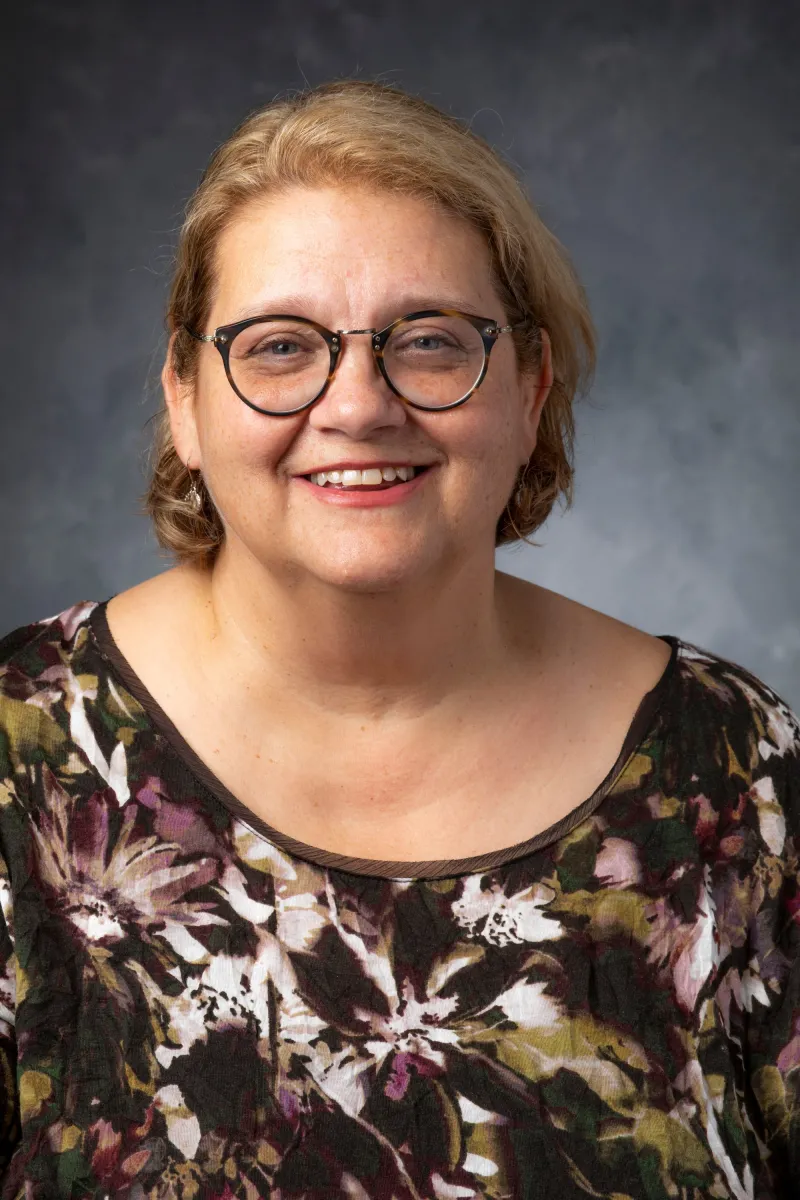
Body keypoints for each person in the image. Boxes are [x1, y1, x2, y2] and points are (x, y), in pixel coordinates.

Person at [0, 78, 797, 1200]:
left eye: (426, 341)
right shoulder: (21, 755)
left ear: (528, 387)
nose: (359, 404)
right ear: (183, 398)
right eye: (280, 347)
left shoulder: (731, 765)